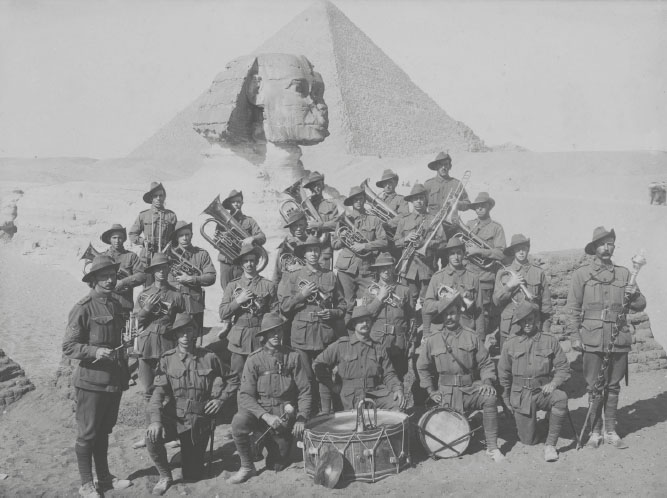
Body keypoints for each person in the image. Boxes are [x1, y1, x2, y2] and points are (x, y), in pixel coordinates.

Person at [566, 226, 646, 449]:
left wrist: (635, 294)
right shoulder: (582, 274)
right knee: (594, 387)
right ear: (594, 248)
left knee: (613, 386)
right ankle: (595, 432)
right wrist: (575, 335)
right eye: (602, 243)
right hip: (592, 338)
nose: (607, 247)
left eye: (610, 243)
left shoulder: (624, 274)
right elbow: (572, 307)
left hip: (618, 337)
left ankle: (611, 431)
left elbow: (641, 305)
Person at [145, 313, 239, 495]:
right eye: (181, 333)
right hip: (174, 417)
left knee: (193, 475)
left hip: (199, 420)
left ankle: (186, 454)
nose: (185, 336)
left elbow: (233, 379)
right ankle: (165, 475)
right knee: (151, 437)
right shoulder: (167, 359)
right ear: (175, 336)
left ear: (195, 333)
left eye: (189, 331)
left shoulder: (210, 357)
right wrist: (156, 420)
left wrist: (220, 399)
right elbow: (157, 393)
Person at [63, 255, 132, 497]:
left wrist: (124, 343)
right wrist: (94, 351)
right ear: (93, 280)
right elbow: (69, 346)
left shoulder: (115, 304)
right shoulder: (83, 307)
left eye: (113, 275)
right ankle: (86, 483)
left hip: (113, 380)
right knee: (87, 433)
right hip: (91, 381)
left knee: (104, 431)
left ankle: (104, 478)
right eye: (104, 276)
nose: (110, 280)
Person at [416, 292, 505, 462]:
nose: (449, 317)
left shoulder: (471, 336)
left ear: (459, 313)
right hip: (445, 393)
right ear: (442, 317)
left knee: (490, 398)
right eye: (445, 314)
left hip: (468, 390)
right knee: (444, 434)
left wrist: (486, 381)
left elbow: (485, 363)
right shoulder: (433, 340)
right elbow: (422, 367)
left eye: (452, 312)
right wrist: (431, 391)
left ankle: (492, 447)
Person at [228, 312, 312, 484]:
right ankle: (247, 466)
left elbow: (305, 391)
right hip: (261, 415)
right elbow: (245, 396)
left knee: (277, 464)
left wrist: (301, 418)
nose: (276, 335)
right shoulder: (254, 360)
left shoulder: (293, 357)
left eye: (279, 331)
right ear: (264, 335)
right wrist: (265, 416)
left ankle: (268, 446)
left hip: (284, 417)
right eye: (271, 332)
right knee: (238, 421)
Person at [278, 235, 347, 414]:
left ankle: (326, 414)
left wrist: (331, 313)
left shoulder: (330, 276)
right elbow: (284, 307)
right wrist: (301, 295)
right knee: (305, 378)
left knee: (323, 375)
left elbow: (342, 306)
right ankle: (307, 415)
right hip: (301, 335)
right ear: (304, 254)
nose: (314, 254)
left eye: (316, 250)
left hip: (324, 333)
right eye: (310, 251)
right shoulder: (293, 276)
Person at [498, 302, 570, 462]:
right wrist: (506, 399)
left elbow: (563, 368)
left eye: (530, 319)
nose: (527, 324)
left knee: (561, 398)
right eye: (523, 321)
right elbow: (503, 374)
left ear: (536, 319)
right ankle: (544, 425)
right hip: (521, 394)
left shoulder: (549, 340)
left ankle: (550, 445)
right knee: (528, 440)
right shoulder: (510, 343)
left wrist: (554, 383)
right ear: (519, 323)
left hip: (542, 391)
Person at [133, 253, 187, 449]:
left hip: (167, 345)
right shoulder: (143, 294)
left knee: (171, 391)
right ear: (153, 272)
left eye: (165, 268)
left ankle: (172, 433)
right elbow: (135, 323)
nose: (162, 271)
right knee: (148, 391)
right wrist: (146, 309)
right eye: (158, 269)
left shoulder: (177, 295)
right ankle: (150, 433)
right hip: (147, 346)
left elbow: (184, 323)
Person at [313, 305, 406, 411]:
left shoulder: (378, 347)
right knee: (357, 421)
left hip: (375, 393)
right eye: (361, 321)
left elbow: (389, 374)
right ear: (354, 324)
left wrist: (397, 389)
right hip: (349, 396)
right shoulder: (341, 345)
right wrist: (332, 386)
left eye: (367, 321)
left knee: (398, 404)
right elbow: (318, 364)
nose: (365, 324)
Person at [219, 243, 278, 378]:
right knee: (237, 377)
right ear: (241, 264)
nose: (249, 264)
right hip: (239, 338)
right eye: (245, 261)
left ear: (257, 262)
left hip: (260, 336)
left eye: (252, 260)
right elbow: (223, 312)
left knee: (262, 375)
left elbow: (275, 313)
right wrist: (238, 300)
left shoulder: (268, 285)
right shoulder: (233, 285)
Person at [394, 183, 444, 335]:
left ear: (425, 200)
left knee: (426, 303)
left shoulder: (434, 219)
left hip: (427, 268)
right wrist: (406, 238)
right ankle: (410, 334)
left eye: (421, 198)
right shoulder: (404, 220)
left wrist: (426, 244)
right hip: (408, 269)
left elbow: (443, 242)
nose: (419, 202)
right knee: (409, 303)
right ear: (411, 201)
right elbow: (396, 242)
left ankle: (426, 335)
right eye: (415, 199)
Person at [493, 234, 553, 350]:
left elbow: (546, 305)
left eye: (524, 248)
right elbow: (496, 301)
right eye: (517, 249)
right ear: (513, 251)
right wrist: (509, 286)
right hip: (511, 326)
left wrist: (545, 329)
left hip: (533, 325)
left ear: (528, 249)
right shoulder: (503, 272)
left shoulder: (538, 272)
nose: (521, 252)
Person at [360, 252, 414, 381]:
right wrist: (380, 298)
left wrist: (412, 343)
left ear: (393, 268)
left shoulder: (404, 290)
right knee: (377, 378)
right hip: (377, 341)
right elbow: (365, 315)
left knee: (398, 377)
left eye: (389, 267)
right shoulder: (370, 290)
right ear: (378, 270)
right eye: (382, 267)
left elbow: (411, 319)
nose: (386, 270)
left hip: (399, 342)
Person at [333, 186, 388, 307]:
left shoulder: (374, 220)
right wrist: (342, 237)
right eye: (355, 199)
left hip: (366, 268)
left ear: (364, 200)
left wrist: (364, 245)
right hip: (346, 269)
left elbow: (384, 242)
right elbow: (334, 244)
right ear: (351, 202)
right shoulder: (344, 220)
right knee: (347, 304)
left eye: (360, 198)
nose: (358, 201)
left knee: (371, 300)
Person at [463, 192, 506, 337]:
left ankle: (481, 343)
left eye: (482, 206)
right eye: (476, 207)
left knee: (483, 313)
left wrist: (479, 251)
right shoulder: (469, 225)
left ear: (489, 207)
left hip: (485, 277)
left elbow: (500, 253)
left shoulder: (496, 228)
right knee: (466, 309)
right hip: (468, 275)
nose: (479, 209)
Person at [425, 238, 485, 339]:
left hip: (466, 330)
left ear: (463, 254)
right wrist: (445, 302)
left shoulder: (473, 277)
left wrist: (481, 337)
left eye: (459, 253)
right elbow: (427, 306)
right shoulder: (438, 277)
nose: (456, 257)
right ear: (447, 256)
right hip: (443, 331)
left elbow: (480, 310)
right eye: (452, 253)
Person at [166, 221, 216, 338]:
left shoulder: (201, 254)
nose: (184, 238)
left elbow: (211, 277)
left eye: (187, 234)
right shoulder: (169, 255)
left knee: (192, 338)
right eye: (181, 235)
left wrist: (191, 278)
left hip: (193, 303)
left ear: (191, 235)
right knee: (172, 338)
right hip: (174, 303)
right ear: (176, 238)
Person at [216, 189, 267, 291]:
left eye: (238, 201)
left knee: (244, 290)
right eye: (233, 202)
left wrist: (252, 238)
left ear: (242, 203)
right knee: (227, 292)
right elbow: (217, 242)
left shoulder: (249, 221)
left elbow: (262, 237)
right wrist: (218, 237)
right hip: (226, 262)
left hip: (242, 264)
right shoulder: (221, 221)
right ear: (229, 204)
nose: (236, 204)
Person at [129, 182, 178, 281]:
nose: (158, 198)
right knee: (149, 287)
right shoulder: (144, 215)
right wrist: (143, 241)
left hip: (165, 257)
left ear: (164, 197)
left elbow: (176, 239)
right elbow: (132, 234)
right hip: (148, 257)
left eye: (161, 195)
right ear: (151, 198)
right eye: (155, 196)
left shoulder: (171, 215)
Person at [302, 171, 340, 270]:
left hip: (324, 250)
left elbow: (337, 224)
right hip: (307, 250)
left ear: (323, 186)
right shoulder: (304, 206)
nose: (317, 188)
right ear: (310, 188)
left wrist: (319, 225)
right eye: (314, 186)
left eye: (319, 185)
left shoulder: (330, 205)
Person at [100, 223, 146, 305]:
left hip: (124, 303)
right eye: (114, 238)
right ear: (109, 239)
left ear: (124, 239)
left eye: (120, 238)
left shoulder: (131, 256)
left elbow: (142, 276)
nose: (117, 241)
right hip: (104, 303)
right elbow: (91, 281)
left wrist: (123, 282)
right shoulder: (102, 257)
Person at [274, 209, 309, 284]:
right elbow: (277, 273)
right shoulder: (284, 246)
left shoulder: (311, 244)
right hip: (288, 285)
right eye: (295, 226)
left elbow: (320, 270)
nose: (298, 229)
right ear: (290, 228)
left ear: (306, 226)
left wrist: (302, 268)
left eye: (301, 225)